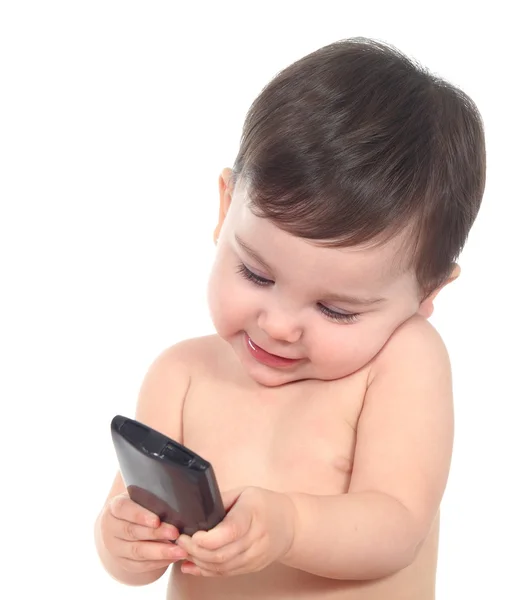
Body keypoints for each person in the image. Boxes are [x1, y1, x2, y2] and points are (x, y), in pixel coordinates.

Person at [94, 37, 486, 599]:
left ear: (429, 291)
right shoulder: (179, 375)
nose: (279, 326)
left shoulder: (399, 364)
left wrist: (290, 527)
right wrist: (123, 541)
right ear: (226, 208)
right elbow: (135, 561)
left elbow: (398, 523)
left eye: (336, 309)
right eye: (256, 275)